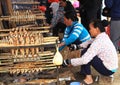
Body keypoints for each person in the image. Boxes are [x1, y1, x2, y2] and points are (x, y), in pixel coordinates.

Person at [62, 19, 118, 85]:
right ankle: (84, 72)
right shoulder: (102, 36)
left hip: (108, 70)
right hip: (111, 67)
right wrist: (77, 47)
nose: (89, 30)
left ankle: (89, 79)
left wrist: (68, 61)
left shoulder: (99, 41)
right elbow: (89, 42)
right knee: (86, 50)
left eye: (90, 28)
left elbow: (84, 60)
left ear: (97, 29)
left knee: (86, 54)